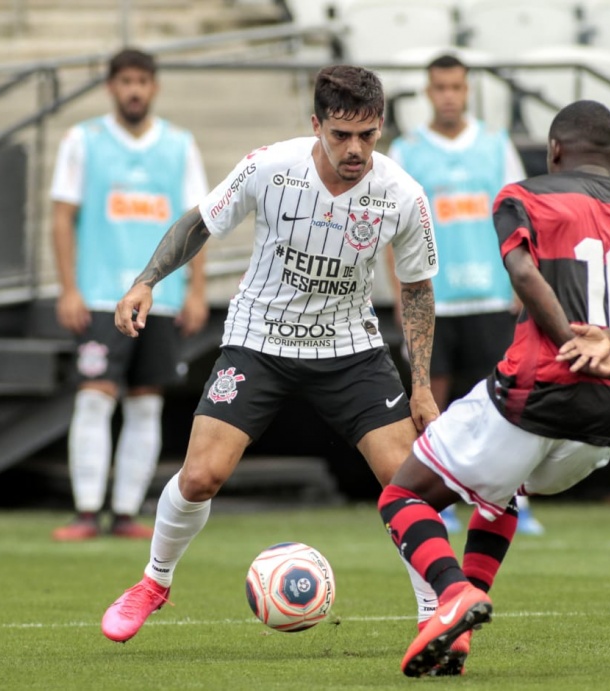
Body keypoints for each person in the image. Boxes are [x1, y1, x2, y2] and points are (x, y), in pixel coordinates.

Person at [99, 64, 444, 643]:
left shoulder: (402, 195)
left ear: (380, 126)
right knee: (202, 476)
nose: (355, 149)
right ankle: (154, 582)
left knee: (406, 481)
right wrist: (146, 281)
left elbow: (416, 289)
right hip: (260, 339)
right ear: (316, 124)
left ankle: (435, 615)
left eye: (367, 134)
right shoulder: (269, 167)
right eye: (340, 135)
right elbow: (200, 223)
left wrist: (423, 384)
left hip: (351, 349)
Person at [377, 100, 610, 677]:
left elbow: (524, 272)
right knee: (497, 494)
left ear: (554, 151)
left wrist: (573, 342)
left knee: (402, 497)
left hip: (534, 396)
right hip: (604, 424)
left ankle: (453, 593)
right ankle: (457, 637)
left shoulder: (523, 196)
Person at [49, 48, 210, 541]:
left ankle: (124, 512)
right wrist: (69, 289)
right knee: (95, 399)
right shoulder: (84, 140)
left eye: (142, 80)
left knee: (146, 404)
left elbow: (198, 222)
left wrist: (197, 291)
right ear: (111, 87)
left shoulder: (180, 145)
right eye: (126, 81)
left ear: (154, 86)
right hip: (100, 295)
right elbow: (61, 217)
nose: (134, 90)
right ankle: (85, 510)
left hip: (160, 298)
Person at [386, 53, 544, 536]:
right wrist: (399, 292)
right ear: (428, 92)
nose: (449, 96)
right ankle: (440, 499)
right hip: (434, 299)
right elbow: (394, 231)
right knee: (430, 399)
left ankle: (508, 500)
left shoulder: (496, 147)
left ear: (467, 89)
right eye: (440, 88)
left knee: (503, 402)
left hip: (492, 296)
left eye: (456, 87)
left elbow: (520, 217)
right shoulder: (406, 153)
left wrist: (524, 281)